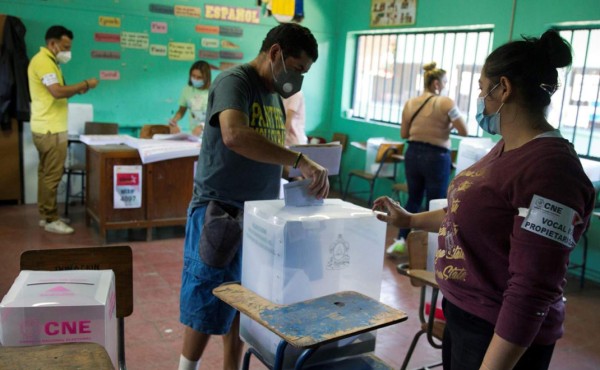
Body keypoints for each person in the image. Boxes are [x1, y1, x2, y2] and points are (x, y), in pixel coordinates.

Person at [373, 29, 595, 370]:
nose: (479, 98)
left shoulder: (551, 171)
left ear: (503, 88)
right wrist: (410, 221)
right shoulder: (507, 148)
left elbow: (532, 290)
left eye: (481, 88)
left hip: (501, 337)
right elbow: (469, 212)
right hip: (467, 316)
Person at [178, 23, 329, 370]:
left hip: (258, 214)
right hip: (219, 211)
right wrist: (298, 159)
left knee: (243, 300)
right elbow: (234, 134)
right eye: (297, 68)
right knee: (207, 298)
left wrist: (296, 181)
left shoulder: (275, 95)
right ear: (275, 53)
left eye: (304, 72)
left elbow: (267, 152)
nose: (298, 78)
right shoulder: (236, 82)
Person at [387, 61, 468, 256]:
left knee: (413, 198)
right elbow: (464, 131)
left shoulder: (409, 103)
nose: (446, 86)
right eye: (445, 82)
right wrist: (445, 127)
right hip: (436, 157)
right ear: (436, 84)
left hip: (413, 154)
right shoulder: (446, 102)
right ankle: (432, 250)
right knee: (436, 203)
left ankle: (400, 242)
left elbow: (404, 133)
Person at [28, 25, 98, 234]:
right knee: (52, 175)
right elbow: (57, 92)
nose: (68, 51)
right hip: (51, 129)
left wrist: (78, 90)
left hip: (45, 126)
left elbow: (58, 93)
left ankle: (45, 214)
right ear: (52, 43)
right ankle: (51, 218)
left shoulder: (50, 62)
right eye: (65, 46)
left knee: (45, 174)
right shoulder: (43, 62)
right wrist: (85, 83)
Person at [169, 60, 211, 137]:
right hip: (193, 134)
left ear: (206, 78)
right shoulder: (187, 90)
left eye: (199, 77)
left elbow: (217, 117)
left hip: (209, 134)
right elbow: (181, 111)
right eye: (193, 76)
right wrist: (174, 120)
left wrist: (202, 126)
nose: (195, 79)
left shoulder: (213, 92)